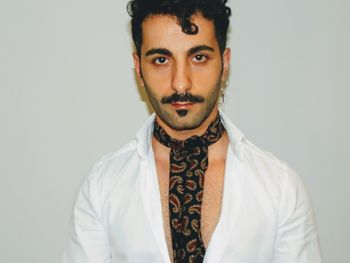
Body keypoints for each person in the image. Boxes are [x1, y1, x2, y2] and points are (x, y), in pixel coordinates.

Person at [62, 0, 322, 262]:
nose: (180, 83)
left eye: (199, 57)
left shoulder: (281, 188)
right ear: (139, 68)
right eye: (161, 60)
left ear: (225, 63)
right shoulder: (102, 186)